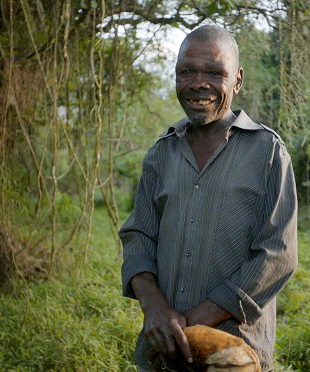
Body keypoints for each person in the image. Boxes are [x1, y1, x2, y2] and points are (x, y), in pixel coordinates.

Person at [119, 24, 298, 372]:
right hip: (163, 352)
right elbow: (138, 236)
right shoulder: (161, 153)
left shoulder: (267, 153)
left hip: (233, 354)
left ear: (237, 80)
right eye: (187, 71)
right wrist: (155, 307)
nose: (199, 83)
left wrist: (192, 321)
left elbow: (278, 254)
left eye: (215, 72)